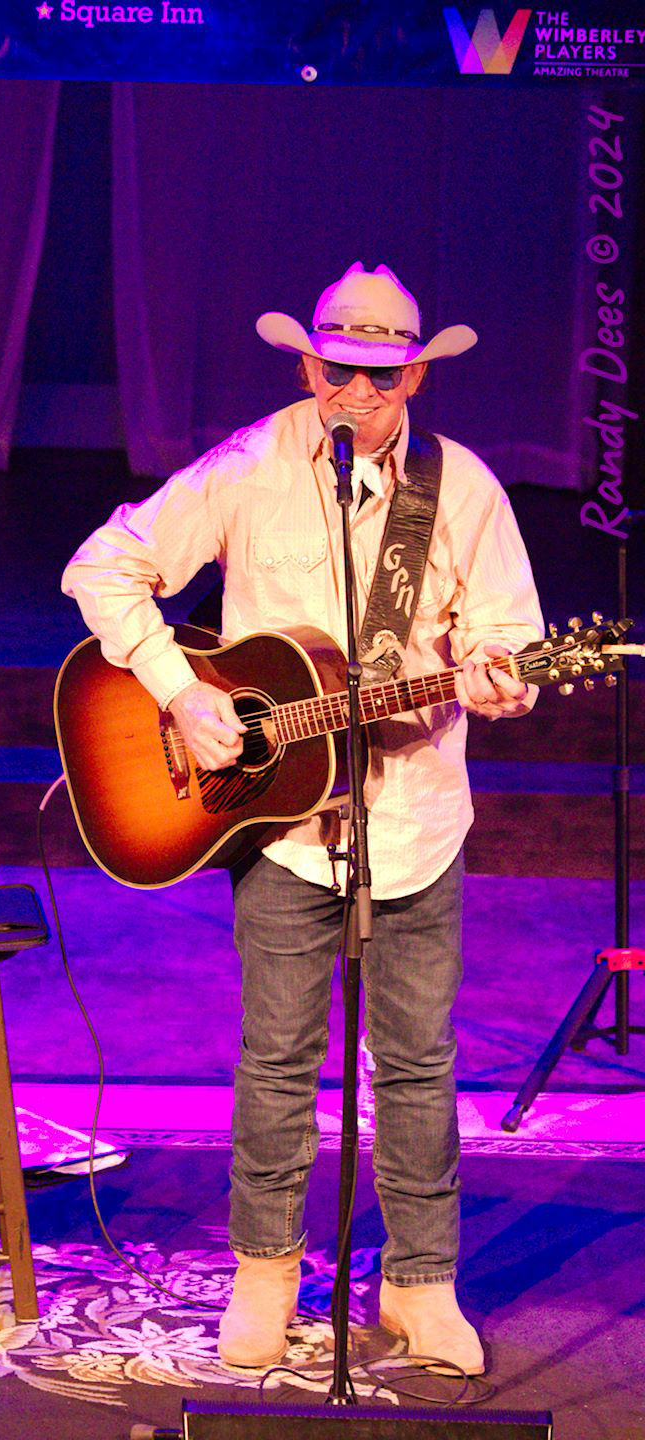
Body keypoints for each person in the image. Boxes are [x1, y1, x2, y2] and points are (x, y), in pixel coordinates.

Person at [62, 264, 544, 1376]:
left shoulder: (460, 487)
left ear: (416, 374)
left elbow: (506, 633)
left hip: (416, 822)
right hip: (278, 827)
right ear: (305, 365)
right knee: (277, 1060)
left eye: (379, 379)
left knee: (417, 1063)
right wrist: (180, 690)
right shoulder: (249, 464)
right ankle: (266, 1274)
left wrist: (500, 676)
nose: (354, 399)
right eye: (336, 374)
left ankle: (422, 1286)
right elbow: (104, 567)